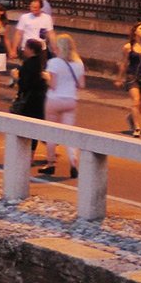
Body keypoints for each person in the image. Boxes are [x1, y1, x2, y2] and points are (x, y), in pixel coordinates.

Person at [39, 33, 86, 178]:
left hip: (54, 100)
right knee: (69, 132)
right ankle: (73, 162)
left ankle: (51, 163)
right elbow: (82, 85)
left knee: (51, 132)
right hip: (71, 100)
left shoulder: (54, 63)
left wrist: (46, 77)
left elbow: (53, 85)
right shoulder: (79, 63)